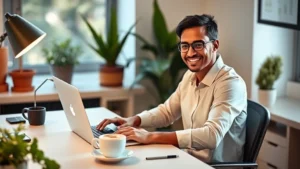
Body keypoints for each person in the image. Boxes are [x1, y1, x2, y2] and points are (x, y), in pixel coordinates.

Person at [97, 14, 247, 163]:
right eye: (184, 46)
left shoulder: (230, 84)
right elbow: (167, 112)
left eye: (198, 45)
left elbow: (211, 135)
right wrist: (133, 120)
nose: (190, 53)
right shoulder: (190, 76)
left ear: (215, 45)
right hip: (187, 159)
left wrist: (150, 136)